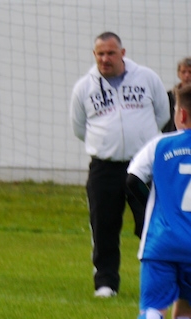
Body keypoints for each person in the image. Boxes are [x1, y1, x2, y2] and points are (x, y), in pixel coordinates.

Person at [70, 31, 170, 298]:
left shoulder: (147, 78)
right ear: (94, 55)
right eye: (100, 54)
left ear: (122, 53)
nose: (105, 58)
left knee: (152, 224)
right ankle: (106, 284)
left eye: (111, 53)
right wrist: (107, 144)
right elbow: (79, 128)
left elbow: (162, 115)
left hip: (144, 168)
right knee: (103, 224)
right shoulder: (84, 88)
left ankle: (161, 280)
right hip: (104, 168)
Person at [127, 84, 191, 319]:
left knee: (152, 307)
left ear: (181, 114)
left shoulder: (160, 144)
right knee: (187, 312)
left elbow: (132, 180)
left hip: (161, 242)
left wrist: (150, 213)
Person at [162, 57, 191, 133]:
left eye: (190, 72)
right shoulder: (170, 95)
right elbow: (163, 116)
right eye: (183, 72)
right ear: (178, 74)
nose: (187, 75)